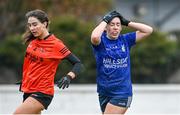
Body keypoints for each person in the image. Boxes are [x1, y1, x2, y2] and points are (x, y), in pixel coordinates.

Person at [13, 9, 82, 114]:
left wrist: (68, 77)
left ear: (44, 24)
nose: (32, 28)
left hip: (42, 92)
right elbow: (31, 64)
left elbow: (78, 64)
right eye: (30, 25)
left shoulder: (56, 44)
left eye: (35, 24)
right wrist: (26, 78)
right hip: (28, 90)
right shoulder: (33, 42)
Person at [91, 10, 153, 114]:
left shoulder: (125, 39)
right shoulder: (100, 42)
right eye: (112, 24)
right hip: (104, 92)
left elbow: (148, 30)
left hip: (122, 93)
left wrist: (127, 22)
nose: (115, 27)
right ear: (106, 27)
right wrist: (104, 20)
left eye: (118, 25)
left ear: (121, 27)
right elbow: (94, 37)